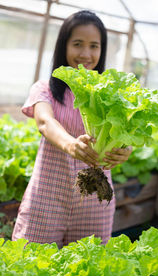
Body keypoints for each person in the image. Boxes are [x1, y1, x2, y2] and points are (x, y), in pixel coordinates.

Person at [12, 10, 132, 248]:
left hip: (95, 199)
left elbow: (124, 132)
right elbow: (45, 122)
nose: (86, 54)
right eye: (77, 44)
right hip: (46, 197)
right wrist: (71, 144)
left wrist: (124, 149)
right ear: (63, 46)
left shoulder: (111, 95)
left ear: (102, 50)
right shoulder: (45, 88)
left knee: (88, 272)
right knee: (31, 266)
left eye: (94, 46)